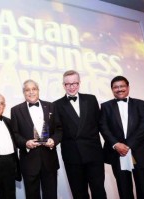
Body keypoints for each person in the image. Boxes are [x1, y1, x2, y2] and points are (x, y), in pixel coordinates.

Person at [99, 75, 144, 199]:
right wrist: (116, 144)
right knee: (124, 192)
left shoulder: (141, 104)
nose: (119, 89)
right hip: (117, 154)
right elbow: (103, 127)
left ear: (128, 87)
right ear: (112, 89)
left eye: (122, 86)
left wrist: (128, 145)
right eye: (116, 87)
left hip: (140, 152)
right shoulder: (105, 106)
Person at [54, 70, 107, 199]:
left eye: (74, 83)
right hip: (72, 156)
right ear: (63, 85)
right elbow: (57, 130)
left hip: (94, 154)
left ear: (79, 83)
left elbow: (100, 124)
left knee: (99, 190)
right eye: (68, 84)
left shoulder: (91, 99)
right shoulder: (56, 105)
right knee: (79, 193)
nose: (71, 87)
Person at [11, 79, 62, 199]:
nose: (31, 92)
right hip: (29, 162)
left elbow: (59, 129)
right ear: (24, 92)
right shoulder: (15, 110)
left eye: (34, 89)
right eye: (27, 90)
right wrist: (25, 143)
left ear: (38, 91)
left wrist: (53, 141)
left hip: (49, 160)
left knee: (51, 196)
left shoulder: (51, 106)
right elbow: (15, 134)